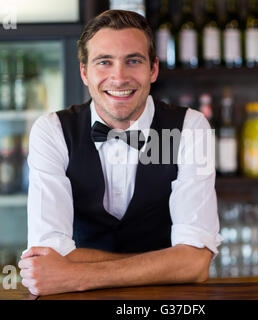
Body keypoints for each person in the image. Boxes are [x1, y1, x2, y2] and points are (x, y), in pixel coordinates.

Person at [18, 10, 222, 296]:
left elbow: (195, 264)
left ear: (153, 69)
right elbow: (49, 255)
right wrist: (168, 263)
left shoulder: (189, 128)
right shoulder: (52, 131)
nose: (119, 77)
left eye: (133, 61)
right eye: (104, 62)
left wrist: (76, 275)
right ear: (84, 72)